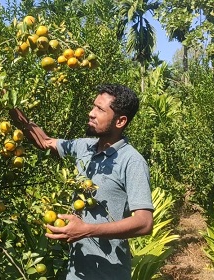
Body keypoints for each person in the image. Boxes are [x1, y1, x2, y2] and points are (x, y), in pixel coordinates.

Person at [9, 84, 154, 279]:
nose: (91, 113)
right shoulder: (83, 147)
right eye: (93, 106)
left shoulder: (132, 160)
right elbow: (44, 142)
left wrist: (87, 231)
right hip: (76, 272)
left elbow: (144, 223)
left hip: (109, 273)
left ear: (120, 121)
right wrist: (9, 104)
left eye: (100, 109)